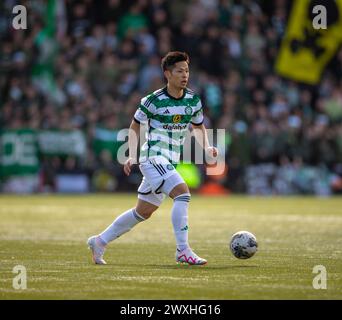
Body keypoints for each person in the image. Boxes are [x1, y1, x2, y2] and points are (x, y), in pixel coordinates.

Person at [87, 51, 218, 265]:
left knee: (143, 212)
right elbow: (134, 126)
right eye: (179, 71)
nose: (185, 75)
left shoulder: (193, 100)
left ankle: (100, 241)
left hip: (168, 161)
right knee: (183, 194)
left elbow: (198, 126)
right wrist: (131, 154)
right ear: (167, 74)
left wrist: (208, 147)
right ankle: (182, 250)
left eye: (187, 70)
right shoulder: (152, 101)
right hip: (153, 157)